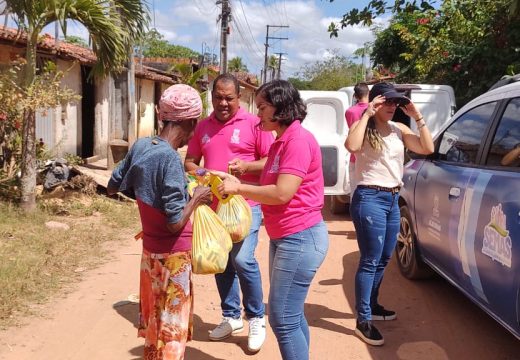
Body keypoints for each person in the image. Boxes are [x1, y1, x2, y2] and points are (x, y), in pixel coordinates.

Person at [215, 80, 329, 360]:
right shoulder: (282, 140)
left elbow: (282, 193)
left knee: (282, 319)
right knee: (291, 314)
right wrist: (237, 176)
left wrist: (238, 188)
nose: (258, 114)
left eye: (263, 107)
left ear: (280, 108)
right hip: (287, 237)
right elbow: (272, 174)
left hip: (300, 237)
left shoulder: (298, 140)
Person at [107, 84, 212, 360]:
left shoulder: (142, 146)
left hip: (149, 255)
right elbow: (174, 223)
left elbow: (112, 185)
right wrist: (197, 198)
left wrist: (144, 191)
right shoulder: (169, 159)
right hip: (174, 258)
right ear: (191, 121)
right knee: (172, 332)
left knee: (155, 325)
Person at [184, 73, 274, 352]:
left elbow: (270, 160)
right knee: (219, 260)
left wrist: (245, 168)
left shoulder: (254, 123)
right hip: (213, 207)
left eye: (229, 98)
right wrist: (203, 173)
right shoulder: (203, 127)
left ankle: (256, 317)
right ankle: (231, 316)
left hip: (247, 205)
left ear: (239, 98)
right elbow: (189, 161)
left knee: (243, 259)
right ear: (211, 97)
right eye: (218, 98)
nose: (223, 103)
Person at [345, 82, 434, 346]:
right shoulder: (364, 127)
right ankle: (363, 320)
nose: (393, 107)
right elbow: (351, 146)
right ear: (375, 102)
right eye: (388, 102)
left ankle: (371, 306)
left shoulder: (399, 129)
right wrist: (366, 114)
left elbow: (427, 147)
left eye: (396, 103)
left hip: (393, 197)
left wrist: (417, 115)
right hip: (369, 198)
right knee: (370, 259)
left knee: (385, 257)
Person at [345, 82, 369, 196]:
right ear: (368, 93)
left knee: (355, 191)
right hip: (370, 155)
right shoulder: (374, 110)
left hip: (354, 155)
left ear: (355, 95)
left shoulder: (350, 112)